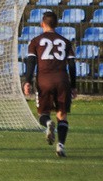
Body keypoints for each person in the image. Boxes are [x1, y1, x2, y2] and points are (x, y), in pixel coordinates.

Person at [22, 10, 77, 157]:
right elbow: (71, 65)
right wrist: (73, 86)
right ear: (56, 24)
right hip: (62, 80)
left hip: (44, 81)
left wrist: (27, 81)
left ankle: (47, 124)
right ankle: (60, 146)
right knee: (62, 114)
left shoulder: (35, 41)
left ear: (42, 24)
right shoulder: (65, 42)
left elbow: (31, 62)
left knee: (43, 113)